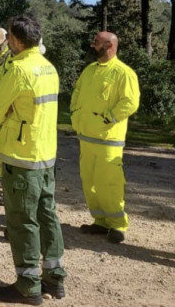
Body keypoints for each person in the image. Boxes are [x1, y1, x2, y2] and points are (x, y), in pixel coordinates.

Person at [0, 15, 66, 304]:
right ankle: (54, 278)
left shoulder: (19, 70)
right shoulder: (48, 68)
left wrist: (7, 111)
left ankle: (27, 285)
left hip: (21, 157)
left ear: (17, 40)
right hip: (45, 154)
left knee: (22, 222)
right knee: (47, 216)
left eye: (8, 37)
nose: (7, 41)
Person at [70, 32, 140, 244]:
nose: (92, 45)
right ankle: (100, 221)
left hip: (108, 140)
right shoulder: (90, 70)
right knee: (89, 182)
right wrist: (74, 112)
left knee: (109, 183)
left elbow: (130, 102)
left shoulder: (123, 73)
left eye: (97, 42)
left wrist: (109, 119)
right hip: (86, 138)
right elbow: (77, 92)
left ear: (109, 45)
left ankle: (117, 225)